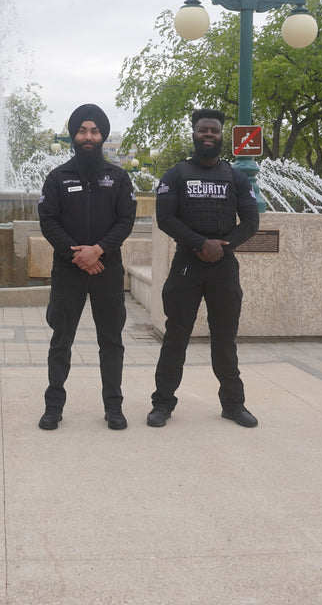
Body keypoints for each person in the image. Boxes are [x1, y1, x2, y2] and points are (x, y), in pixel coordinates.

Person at [147, 109, 261, 429]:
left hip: (224, 266)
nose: (208, 134)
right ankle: (162, 404)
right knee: (176, 338)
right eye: (203, 130)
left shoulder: (235, 177)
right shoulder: (175, 175)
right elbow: (166, 219)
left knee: (224, 340)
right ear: (194, 134)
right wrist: (200, 243)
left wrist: (221, 246)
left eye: (214, 130)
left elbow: (251, 222)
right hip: (186, 265)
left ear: (222, 135)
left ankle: (233, 405)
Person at [37, 104, 137, 431]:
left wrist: (98, 251)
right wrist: (76, 255)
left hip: (107, 271)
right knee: (61, 340)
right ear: (74, 136)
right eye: (82, 130)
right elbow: (48, 222)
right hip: (68, 272)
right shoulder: (57, 178)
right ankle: (53, 407)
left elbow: (126, 221)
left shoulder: (118, 178)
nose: (88, 136)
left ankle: (114, 407)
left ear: (103, 136)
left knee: (111, 341)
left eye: (94, 131)